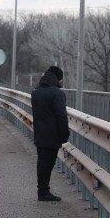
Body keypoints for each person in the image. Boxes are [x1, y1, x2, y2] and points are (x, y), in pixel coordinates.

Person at [30, 65, 70, 202]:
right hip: (52, 135)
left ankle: (42, 190)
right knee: (48, 163)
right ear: (58, 78)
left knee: (42, 162)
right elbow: (61, 117)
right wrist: (64, 135)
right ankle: (43, 192)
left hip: (39, 134)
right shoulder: (57, 94)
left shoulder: (36, 91)